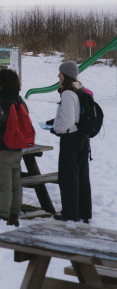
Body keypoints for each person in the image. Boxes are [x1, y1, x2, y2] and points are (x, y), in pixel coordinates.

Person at [48, 60, 92, 223]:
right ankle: (84, 212)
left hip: (71, 139)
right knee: (82, 175)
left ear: (66, 75)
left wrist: (55, 127)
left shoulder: (67, 93)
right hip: (83, 138)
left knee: (68, 177)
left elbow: (67, 121)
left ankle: (70, 213)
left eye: (60, 72)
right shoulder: (81, 89)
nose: (58, 75)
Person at [0, 68, 26, 225]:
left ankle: (3, 217)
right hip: (17, 149)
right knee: (16, 184)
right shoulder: (20, 101)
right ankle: (15, 214)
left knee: (4, 186)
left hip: (1, 151)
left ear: (1, 84)